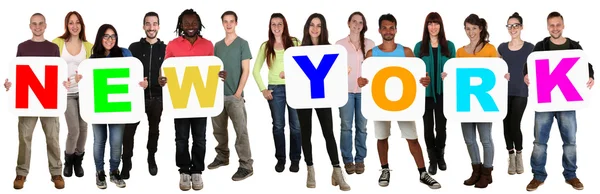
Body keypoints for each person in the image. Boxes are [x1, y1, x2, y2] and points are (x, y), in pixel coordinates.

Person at [356, 13, 440, 189]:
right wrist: (361, 81)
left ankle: (423, 173)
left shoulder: (406, 52)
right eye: (384, 27)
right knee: (381, 137)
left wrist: (424, 80)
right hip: (380, 103)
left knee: (412, 138)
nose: (388, 31)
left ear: (396, 29)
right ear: (379, 30)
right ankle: (385, 169)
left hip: (404, 103)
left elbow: (417, 76)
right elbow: (366, 78)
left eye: (391, 27)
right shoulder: (372, 54)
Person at [523, 11, 594, 192]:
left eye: (558, 25)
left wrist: (591, 76)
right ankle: (538, 176)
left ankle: (571, 175)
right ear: (548, 27)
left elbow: (586, 65)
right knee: (540, 142)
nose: (555, 28)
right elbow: (528, 64)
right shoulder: (541, 46)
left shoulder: (573, 45)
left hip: (567, 101)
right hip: (545, 100)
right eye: (551, 25)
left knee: (570, 141)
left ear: (563, 26)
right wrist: (526, 74)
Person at [163, 9, 226, 191]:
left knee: (200, 138)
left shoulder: (207, 45)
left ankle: (197, 170)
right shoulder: (173, 45)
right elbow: (166, 69)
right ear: (180, 25)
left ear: (199, 24)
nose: (190, 26)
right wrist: (162, 79)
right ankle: (184, 170)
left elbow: (212, 71)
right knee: (181, 138)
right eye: (186, 23)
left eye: (193, 23)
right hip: (180, 100)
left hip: (201, 99)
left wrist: (220, 74)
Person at [443, 13, 508, 189]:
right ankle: (476, 170)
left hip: (484, 103)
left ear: (480, 29)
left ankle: (487, 173)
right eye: (467, 28)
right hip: (465, 102)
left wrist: (504, 76)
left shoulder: (490, 49)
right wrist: (447, 76)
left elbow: (497, 73)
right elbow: (458, 76)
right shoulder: (460, 52)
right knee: (469, 139)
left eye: (474, 28)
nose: (470, 32)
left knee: (485, 139)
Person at [6, 12, 69, 190]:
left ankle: (56, 172)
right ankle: (21, 173)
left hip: (49, 99)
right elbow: (18, 73)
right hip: (28, 102)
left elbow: (57, 73)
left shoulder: (52, 48)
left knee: (52, 137)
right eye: (34, 24)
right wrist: (10, 82)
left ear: (45, 25)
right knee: (24, 138)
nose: (37, 27)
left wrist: (63, 82)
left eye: (40, 23)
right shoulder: (22, 47)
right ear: (30, 26)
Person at [82, 24, 147, 189]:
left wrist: (142, 83)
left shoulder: (124, 53)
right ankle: (99, 172)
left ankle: (114, 172)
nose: (109, 39)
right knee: (99, 141)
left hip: (119, 106)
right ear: (99, 38)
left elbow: (134, 78)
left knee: (116, 141)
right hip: (99, 106)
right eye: (106, 36)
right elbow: (88, 84)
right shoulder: (93, 59)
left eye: (113, 36)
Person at [290, 13, 350, 191]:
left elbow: (334, 75)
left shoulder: (330, 50)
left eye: (319, 25)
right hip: (304, 96)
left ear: (323, 29)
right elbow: (297, 74)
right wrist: (289, 74)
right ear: (307, 28)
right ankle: (310, 169)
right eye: (312, 25)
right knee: (305, 133)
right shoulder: (299, 50)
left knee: (328, 133)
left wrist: (343, 70)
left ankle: (337, 171)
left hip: (323, 96)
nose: (315, 29)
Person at [206, 10, 254, 182]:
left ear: (236, 23)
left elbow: (246, 70)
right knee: (219, 130)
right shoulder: (217, 46)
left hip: (235, 96)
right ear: (222, 23)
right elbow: (213, 69)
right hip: (217, 96)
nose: (228, 24)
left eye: (231, 21)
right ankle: (222, 157)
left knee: (241, 131)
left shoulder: (243, 43)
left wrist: (238, 93)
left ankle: (246, 165)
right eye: (225, 21)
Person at [252, 13, 302, 173]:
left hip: (294, 88)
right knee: (278, 126)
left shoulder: (295, 43)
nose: (277, 27)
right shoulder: (266, 46)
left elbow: (304, 65)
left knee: (296, 126)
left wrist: (291, 75)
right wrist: (263, 89)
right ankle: (281, 159)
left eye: (279, 24)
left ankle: (295, 160)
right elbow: (255, 71)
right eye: (273, 24)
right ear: (270, 27)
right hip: (275, 90)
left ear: (284, 25)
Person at [120, 11, 167, 180]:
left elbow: (169, 74)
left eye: (154, 24)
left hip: (157, 98)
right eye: (148, 24)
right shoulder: (134, 47)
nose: (151, 27)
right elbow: (127, 72)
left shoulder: (165, 48)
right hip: (136, 98)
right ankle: (126, 162)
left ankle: (151, 157)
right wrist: (138, 83)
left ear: (159, 27)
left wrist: (160, 82)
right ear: (143, 26)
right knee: (128, 132)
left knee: (154, 130)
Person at [51, 11, 93, 178]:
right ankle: (68, 160)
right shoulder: (57, 43)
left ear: (81, 25)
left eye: (77, 22)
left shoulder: (88, 46)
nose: (74, 26)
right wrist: (61, 81)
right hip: (67, 93)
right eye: (71, 23)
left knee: (84, 129)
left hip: (84, 93)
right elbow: (49, 68)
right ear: (66, 25)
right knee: (74, 129)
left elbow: (93, 71)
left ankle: (78, 160)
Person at [413, 12, 455, 175]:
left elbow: (456, 70)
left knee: (442, 128)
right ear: (426, 26)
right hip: (425, 94)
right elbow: (413, 72)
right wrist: (421, 77)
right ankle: (432, 159)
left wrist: (448, 74)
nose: (433, 27)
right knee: (428, 128)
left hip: (444, 93)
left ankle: (440, 156)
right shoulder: (419, 46)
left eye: (436, 23)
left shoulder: (449, 46)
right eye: (430, 23)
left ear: (441, 26)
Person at [335, 11, 375, 175]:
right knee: (346, 127)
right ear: (348, 23)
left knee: (362, 127)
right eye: (354, 21)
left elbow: (375, 68)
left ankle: (360, 159)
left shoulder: (370, 43)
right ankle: (347, 160)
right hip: (345, 92)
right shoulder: (339, 44)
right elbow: (333, 68)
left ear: (363, 25)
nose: (357, 25)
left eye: (360, 22)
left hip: (364, 92)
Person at [497, 12, 534, 176]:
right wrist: (501, 74)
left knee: (514, 124)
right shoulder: (502, 47)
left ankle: (519, 154)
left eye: (516, 25)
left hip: (520, 91)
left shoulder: (530, 48)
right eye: (509, 26)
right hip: (503, 92)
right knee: (505, 125)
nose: (513, 29)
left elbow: (536, 68)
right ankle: (510, 156)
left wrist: (530, 76)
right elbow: (496, 68)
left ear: (521, 27)